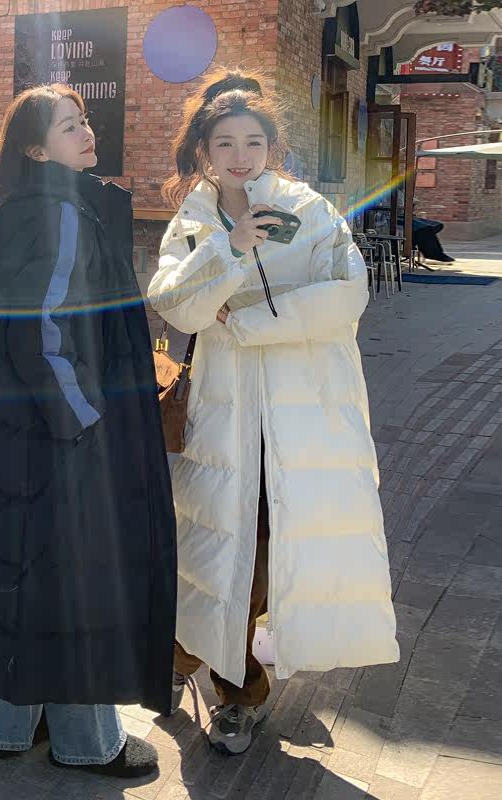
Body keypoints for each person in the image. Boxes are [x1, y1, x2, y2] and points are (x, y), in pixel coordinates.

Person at [0, 84, 177, 778]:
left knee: (8, 567)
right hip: (50, 432)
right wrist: (85, 420)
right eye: (69, 126)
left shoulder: (15, 202)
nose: (86, 132)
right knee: (74, 576)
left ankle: (9, 729)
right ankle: (87, 743)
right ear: (36, 149)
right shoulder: (62, 209)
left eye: (84, 120)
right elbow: (43, 331)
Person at [147, 69, 399, 756]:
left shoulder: (307, 208)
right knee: (208, 547)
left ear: (271, 148)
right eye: (225, 143)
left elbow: (347, 292)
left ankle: (233, 688)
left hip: (300, 415)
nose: (240, 156)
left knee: (264, 553)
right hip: (222, 415)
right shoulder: (195, 219)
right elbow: (175, 304)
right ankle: (185, 658)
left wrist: (250, 322)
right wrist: (229, 248)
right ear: (204, 150)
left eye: (252, 142)